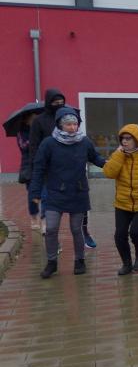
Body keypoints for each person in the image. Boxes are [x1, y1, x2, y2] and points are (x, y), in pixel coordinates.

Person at [29, 107, 105, 278]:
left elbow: (96, 158)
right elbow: (38, 168)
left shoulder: (84, 142)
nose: (72, 127)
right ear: (60, 125)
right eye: (68, 124)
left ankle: (80, 261)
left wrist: (112, 163)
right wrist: (34, 192)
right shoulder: (48, 143)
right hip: (55, 193)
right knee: (51, 229)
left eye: (75, 124)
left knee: (76, 229)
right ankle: (51, 262)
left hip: (78, 192)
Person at [29, 89, 98, 247]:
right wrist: (36, 171)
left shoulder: (70, 115)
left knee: (80, 206)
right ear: (48, 102)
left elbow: (90, 152)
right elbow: (34, 147)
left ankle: (84, 233)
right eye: (55, 102)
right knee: (51, 209)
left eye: (61, 101)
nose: (59, 104)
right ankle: (53, 239)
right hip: (50, 173)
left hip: (74, 172)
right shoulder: (39, 121)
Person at [103, 124, 138, 275]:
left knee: (135, 232)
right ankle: (126, 264)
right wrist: (118, 155)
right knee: (120, 235)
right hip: (122, 203)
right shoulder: (119, 156)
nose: (124, 141)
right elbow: (109, 173)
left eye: (128, 138)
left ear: (137, 139)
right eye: (122, 138)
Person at [16, 112, 40, 230]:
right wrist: (33, 138)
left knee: (46, 192)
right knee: (32, 193)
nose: (35, 121)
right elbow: (23, 146)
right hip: (29, 167)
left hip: (42, 164)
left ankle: (45, 217)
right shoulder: (21, 133)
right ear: (26, 120)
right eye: (33, 119)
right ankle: (34, 217)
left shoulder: (40, 129)